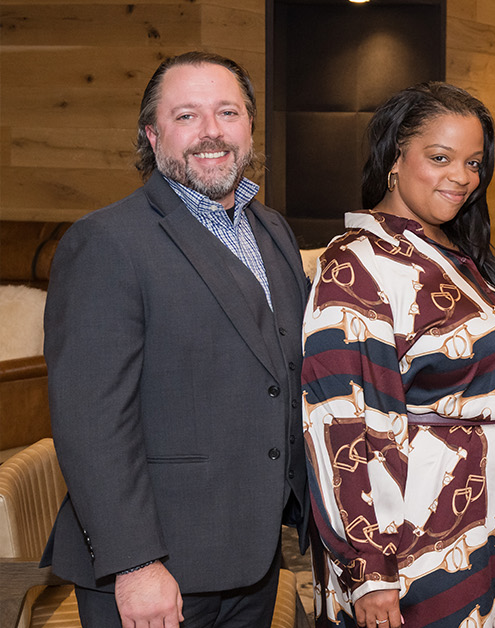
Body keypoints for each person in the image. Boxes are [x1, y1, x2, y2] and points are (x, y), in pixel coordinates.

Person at [43, 51, 309, 628]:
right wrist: (136, 565)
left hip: (255, 558)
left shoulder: (273, 229)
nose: (212, 132)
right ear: (152, 133)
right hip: (158, 571)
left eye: (228, 112)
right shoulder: (106, 243)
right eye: (187, 115)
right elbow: (92, 422)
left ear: (250, 126)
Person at [301, 82, 495, 628]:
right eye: (440, 158)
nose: (461, 176)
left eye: (473, 162)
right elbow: (341, 420)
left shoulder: (460, 252)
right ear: (394, 158)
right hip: (411, 538)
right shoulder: (357, 263)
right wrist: (369, 571)